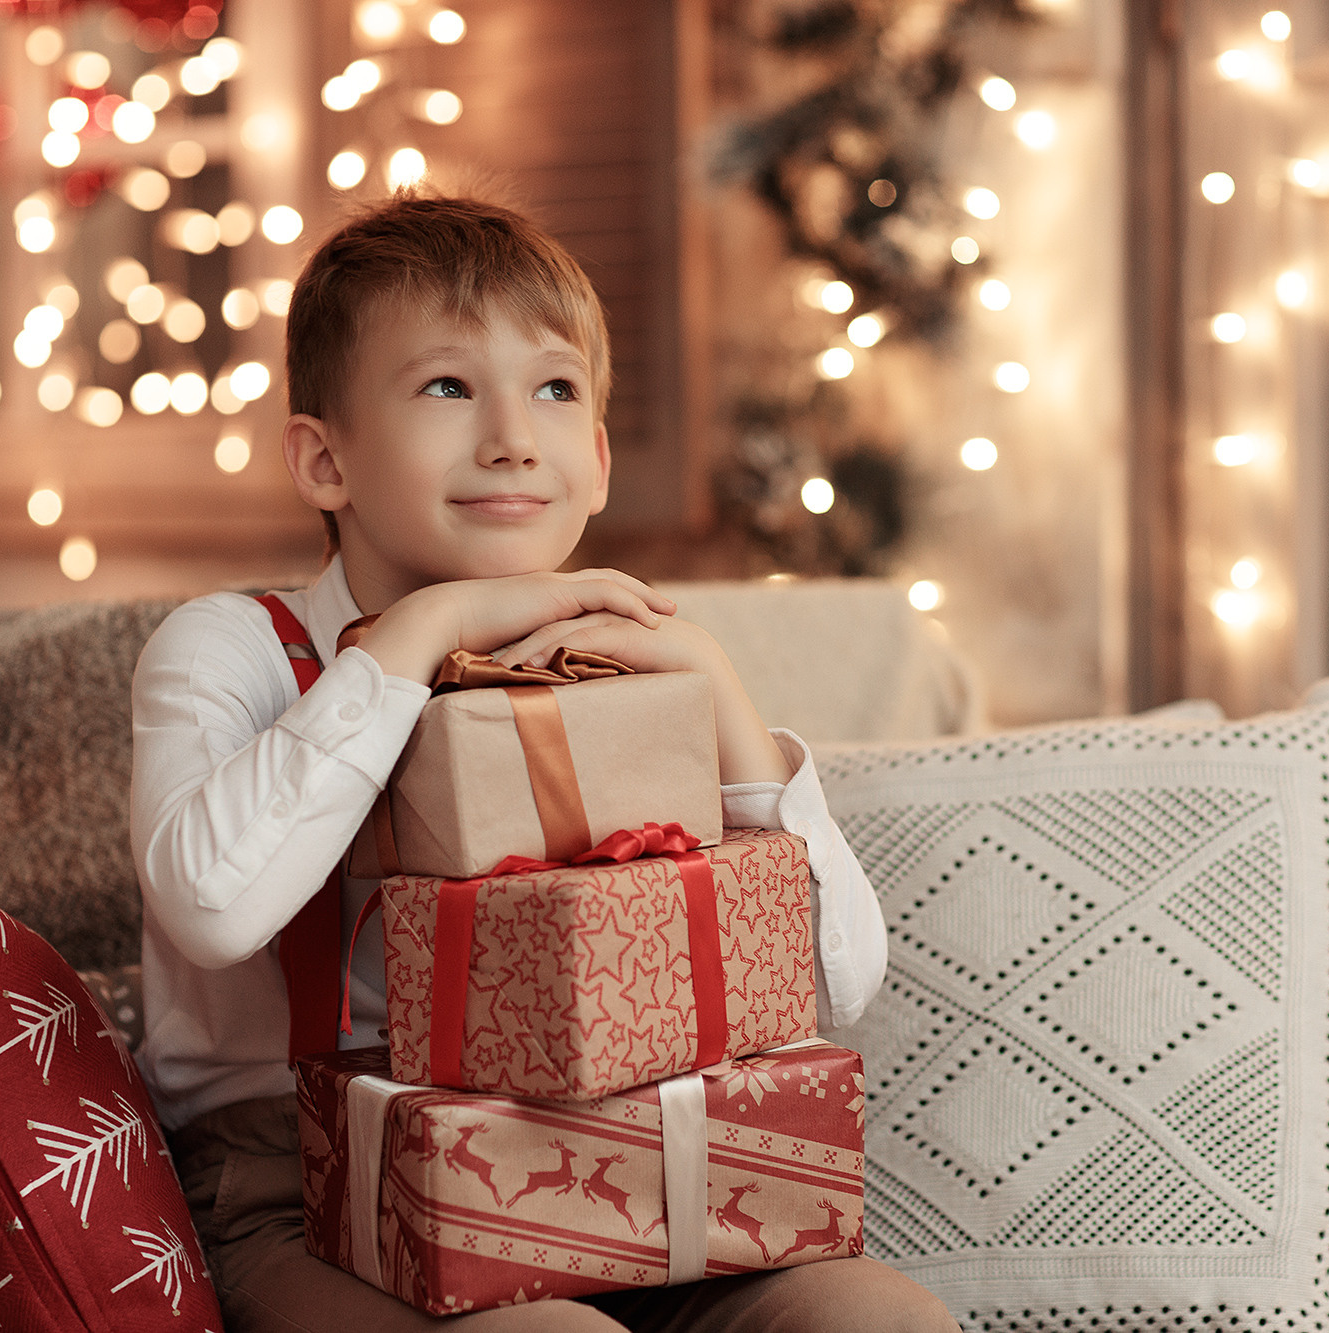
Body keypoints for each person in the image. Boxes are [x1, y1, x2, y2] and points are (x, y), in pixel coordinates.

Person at [129, 193, 955, 1332]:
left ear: (599, 460)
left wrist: (718, 697)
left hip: (608, 1152)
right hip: (312, 1188)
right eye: (447, 386)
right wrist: (418, 638)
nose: (513, 433)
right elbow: (215, 910)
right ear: (325, 459)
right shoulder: (233, 649)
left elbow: (834, 986)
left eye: (555, 389)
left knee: (878, 1322)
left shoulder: (625, 668)